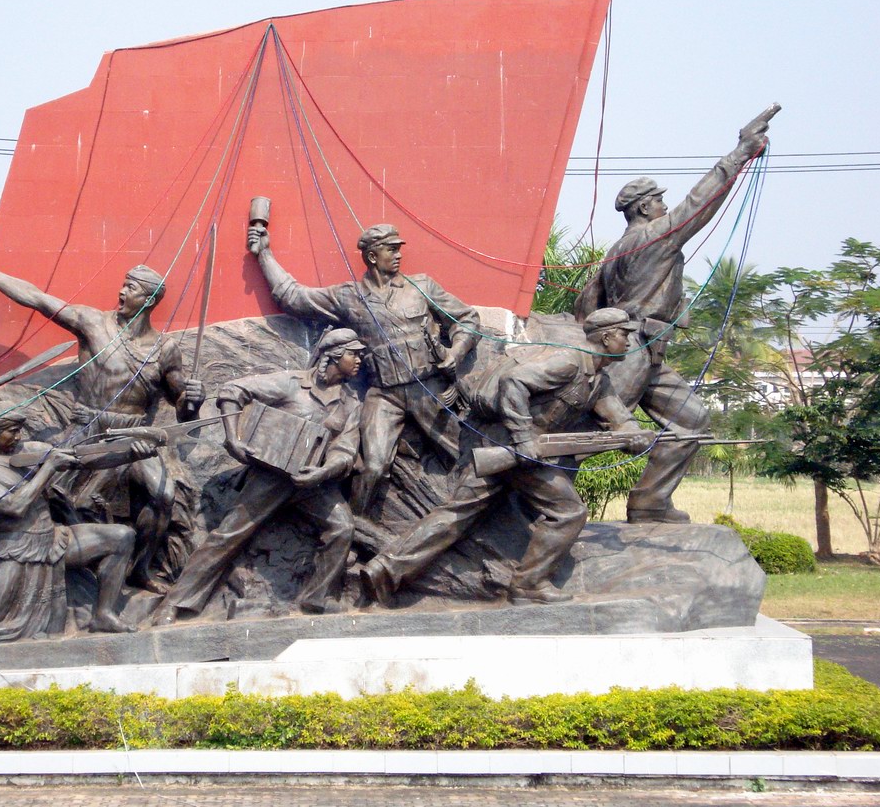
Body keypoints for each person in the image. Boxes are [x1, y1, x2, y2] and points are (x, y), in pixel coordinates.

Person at [0, 242, 205, 590]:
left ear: (149, 300)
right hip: (89, 426)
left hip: (134, 433)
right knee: (54, 490)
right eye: (123, 284)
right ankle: (49, 563)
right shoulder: (93, 323)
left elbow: (181, 404)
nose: (121, 291)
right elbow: (37, 299)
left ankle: (140, 570)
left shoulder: (165, 349)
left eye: (131, 288)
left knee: (164, 496)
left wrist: (193, 399)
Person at [358, 308, 653, 606]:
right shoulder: (568, 362)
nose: (629, 342)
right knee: (568, 512)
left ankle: (385, 569)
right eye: (624, 334)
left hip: (514, 450)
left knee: (458, 513)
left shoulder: (598, 380)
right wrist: (523, 437)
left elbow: (620, 419)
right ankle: (528, 584)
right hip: (512, 446)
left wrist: (635, 435)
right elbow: (514, 381)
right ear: (606, 337)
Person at [574, 111, 772, 523]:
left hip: (649, 352)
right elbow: (698, 204)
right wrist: (742, 151)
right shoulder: (652, 238)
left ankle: (650, 502)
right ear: (645, 207)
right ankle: (529, 500)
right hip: (631, 350)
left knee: (691, 421)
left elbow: (587, 305)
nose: (666, 207)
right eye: (660, 201)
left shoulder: (618, 250)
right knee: (587, 433)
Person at [247, 221, 479, 514]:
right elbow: (294, 297)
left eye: (398, 249)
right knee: (373, 467)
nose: (399, 255)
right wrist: (264, 254)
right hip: (384, 396)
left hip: (428, 388)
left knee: (465, 453)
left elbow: (466, 318)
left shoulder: (421, 286)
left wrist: (457, 352)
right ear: (372, 256)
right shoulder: (348, 296)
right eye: (391, 249)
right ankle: (358, 526)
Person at [153, 328, 365, 624]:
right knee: (230, 534)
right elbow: (232, 391)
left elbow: (345, 451)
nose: (359, 360)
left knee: (342, 527)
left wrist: (322, 472)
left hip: (313, 481)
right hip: (271, 477)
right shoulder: (292, 384)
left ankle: (317, 598)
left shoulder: (351, 403)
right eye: (354, 354)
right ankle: (174, 603)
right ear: (333, 355)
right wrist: (233, 438)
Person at [0, 406, 155, 643]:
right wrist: (48, 468)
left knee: (121, 537)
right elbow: (14, 507)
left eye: (20, 431)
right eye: (13, 431)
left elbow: (83, 458)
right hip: (16, 550)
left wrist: (129, 455)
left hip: (52, 539)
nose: (19, 437)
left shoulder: (28, 450)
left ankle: (104, 615)